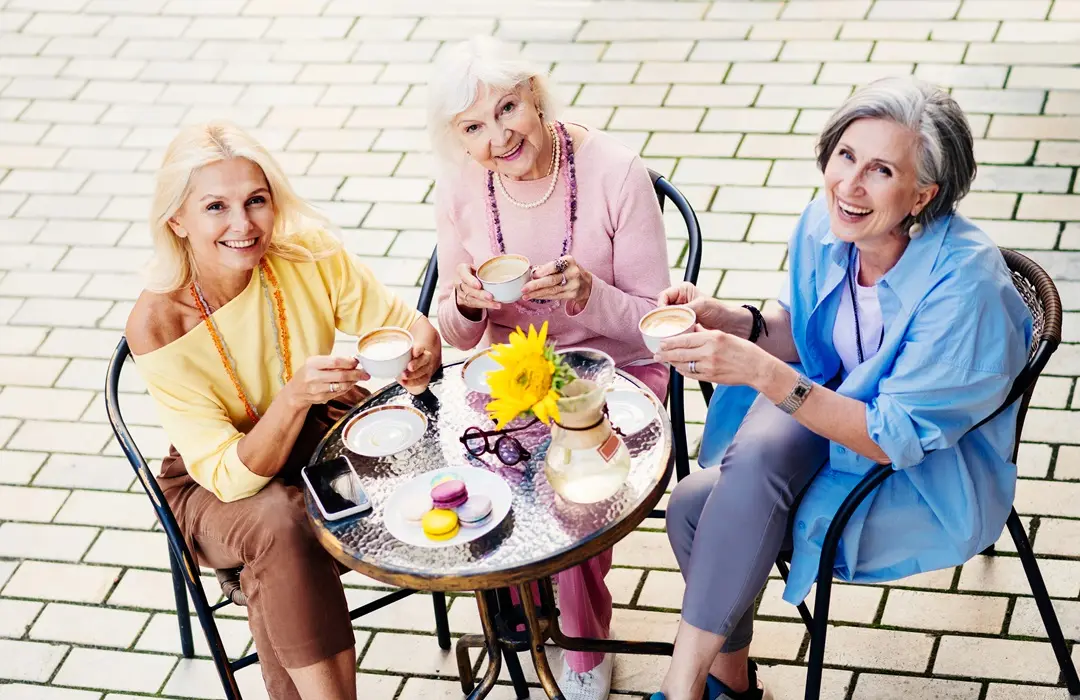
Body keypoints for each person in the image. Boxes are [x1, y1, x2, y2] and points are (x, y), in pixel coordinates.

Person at [648, 77, 1032, 700]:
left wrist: (762, 373)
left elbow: (891, 439)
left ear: (923, 195)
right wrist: (734, 322)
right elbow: (805, 335)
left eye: (881, 170)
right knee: (696, 502)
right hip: (832, 418)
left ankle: (691, 688)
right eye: (845, 155)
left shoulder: (966, 287)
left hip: (922, 470)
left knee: (704, 503)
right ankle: (718, 684)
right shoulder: (827, 227)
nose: (849, 185)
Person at [126, 122, 442, 700]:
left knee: (435, 447)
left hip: (320, 438)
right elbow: (228, 474)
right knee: (281, 523)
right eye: (215, 207)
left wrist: (421, 353)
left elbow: (404, 323)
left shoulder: (307, 253)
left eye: (256, 201)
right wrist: (295, 395)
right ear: (178, 221)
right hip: (215, 484)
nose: (243, 225)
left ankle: (514, 614)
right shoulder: (158, 322)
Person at [427, 36, 671, 700]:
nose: (498, 136)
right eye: (474, 127)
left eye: (508, 109)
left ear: (534, 95)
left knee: (568, 492)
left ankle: (584, 642)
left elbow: (656, 326)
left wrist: (590, 293)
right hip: (507, 376)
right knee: (483, 475)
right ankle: (521, 608)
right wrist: (468, 307)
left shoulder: (617, 172)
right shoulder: (460, 187)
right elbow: (450, 327)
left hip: (616, 372)